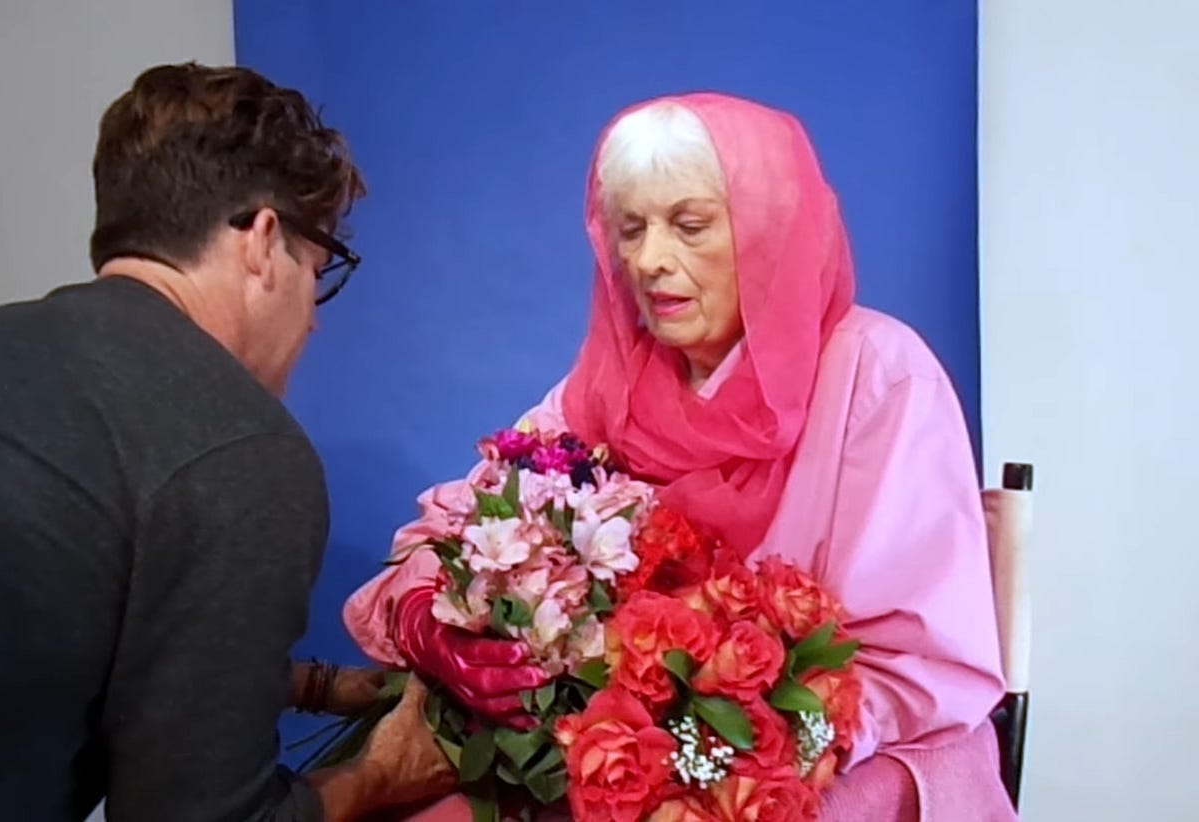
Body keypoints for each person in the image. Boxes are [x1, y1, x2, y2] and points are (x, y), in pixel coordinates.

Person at [0, 63, 453, 821]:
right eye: (320, 270)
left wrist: (312, 685)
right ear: (262, 239)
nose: (313, 317)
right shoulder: (236, 448)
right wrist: (386, 770)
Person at [342, 93, 1017, 821]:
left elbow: (921, 665)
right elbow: (459, 534)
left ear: (770, 232)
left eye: (689, 226)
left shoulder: (879, 373)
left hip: (841, 760)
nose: (650, 260)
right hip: (619, 762)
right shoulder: (603, 387)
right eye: (630, 231)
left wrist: (747, 746)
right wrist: (425, 617)